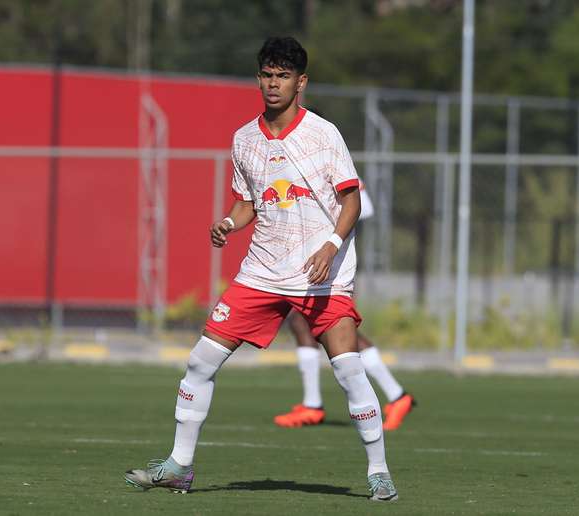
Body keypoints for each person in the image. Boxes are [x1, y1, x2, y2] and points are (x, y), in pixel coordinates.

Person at [125, 36, 398, 502]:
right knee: (199, 363)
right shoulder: (244, 138)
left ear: (301, 82)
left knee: (349, 369)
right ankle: (179, 466)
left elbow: (350, 199)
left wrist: (331, 246)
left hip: (322, 276)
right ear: (259, 79)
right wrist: (229, 223)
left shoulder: (324, 135)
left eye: (283, 76)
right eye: (267, 76)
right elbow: (249, 201)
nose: (274, 85)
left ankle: (379, 473)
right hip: (262, 272)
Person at [274, 185, 416, 431]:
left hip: (333, 262)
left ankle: (393, 395)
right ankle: (316, 403)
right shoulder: (304, 161)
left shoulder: (334, 159)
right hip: (311, 257)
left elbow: (364, 206)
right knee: (307, 323)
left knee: (334, 328)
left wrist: (328, 229)